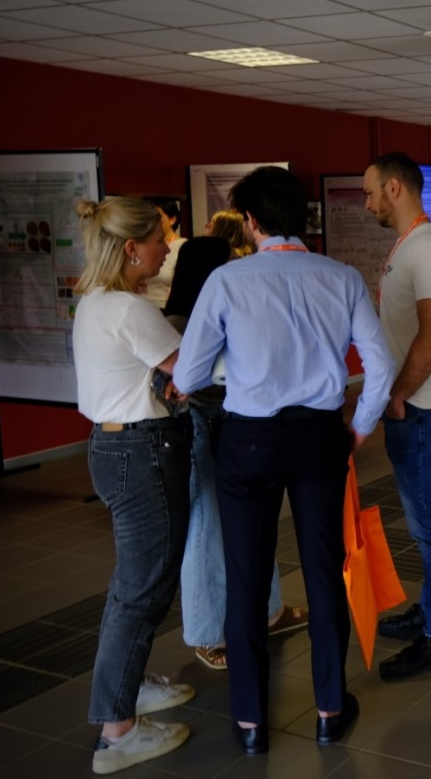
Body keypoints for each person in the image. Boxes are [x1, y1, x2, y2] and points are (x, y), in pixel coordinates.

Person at [173, 166, 393, 756]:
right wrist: (359, 427)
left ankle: (250, 724)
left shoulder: (226, 280)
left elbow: (189, 374)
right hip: (320, 436)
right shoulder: (342, 277)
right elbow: (380, 365)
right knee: (324, 571)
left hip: (248, 440)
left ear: (250, 220)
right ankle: (329, 710)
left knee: (245, 578)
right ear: (302, 217)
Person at [72, 196, 194, 775]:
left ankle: (130, 687)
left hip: (111, 446)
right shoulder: (127, 307)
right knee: (142, 589)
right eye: (159, 238)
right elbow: (189, 368)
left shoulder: (95, 301)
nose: (167, 247)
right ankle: (117, 731)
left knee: (133, 584)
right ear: (131, 248)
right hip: (142, 453)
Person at [163, 237, 308, 673]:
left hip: (233, 422)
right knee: (207, 529)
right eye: (228, 262)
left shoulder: (226, 306)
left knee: (256, 519)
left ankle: (270, 609)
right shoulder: (177, 321)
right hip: (198, 426)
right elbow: (186, 382)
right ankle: (208, 633)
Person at [361, 153, 431, 680]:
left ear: (394, 188)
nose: (367, 204)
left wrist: (399, 393)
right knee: (424, 524)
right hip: (415, 408)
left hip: (423, 411)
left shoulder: (427, 247)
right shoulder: (412, 245)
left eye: (370, 192)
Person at [140, 198, 184, 307]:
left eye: (158, 217)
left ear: (172, 220)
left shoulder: (182, 246)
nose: (152, 222)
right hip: (141, 304)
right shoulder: (143, 245)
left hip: (165, 307)